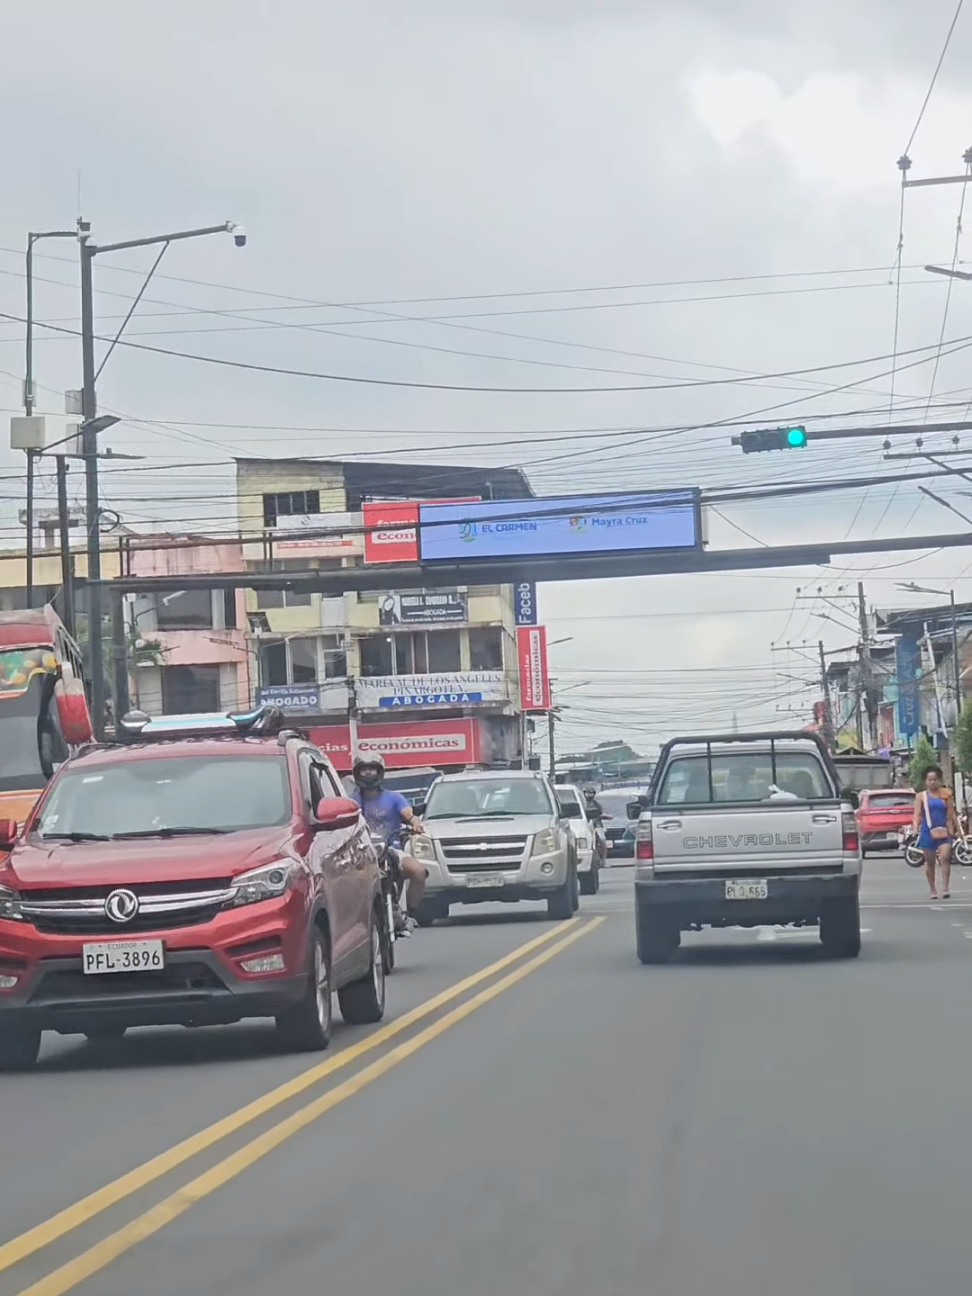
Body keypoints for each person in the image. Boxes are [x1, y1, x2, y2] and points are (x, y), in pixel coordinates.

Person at [350, 755, 427, 929]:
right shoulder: (351, 802)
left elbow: (409, 815)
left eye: (373, 769)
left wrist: (416, 824)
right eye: (364, 769)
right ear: (357, 773)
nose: (368, 773)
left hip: (391, 850)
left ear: (380, 772)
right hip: (362, 853)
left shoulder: (395, 798)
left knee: (419, 872)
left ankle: (409, 914)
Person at [912, 765, 959, 900]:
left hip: (944, 831)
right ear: (925, 781)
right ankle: (933, 889)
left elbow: (951, 813)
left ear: (939, 780)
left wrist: (955, 828)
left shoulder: (946, 794)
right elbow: (917, 814)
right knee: (930, 861)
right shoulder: (921, 796)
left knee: (945, 857)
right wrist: (915, 828)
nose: (932, 782)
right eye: (929, 780)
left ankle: (945, 888)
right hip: (928, 831)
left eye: (935, 779)